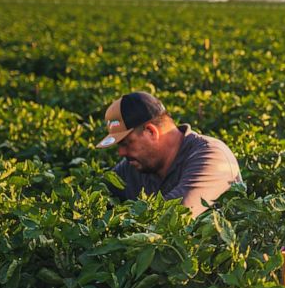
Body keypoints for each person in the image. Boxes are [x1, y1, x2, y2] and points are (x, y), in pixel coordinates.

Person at [95, 91, 242, 217]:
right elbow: (96, 194)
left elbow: (174, 215)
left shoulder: (211, 156)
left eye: (127, 143)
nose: (121, 153)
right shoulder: (132, 166)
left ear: (151, 132)